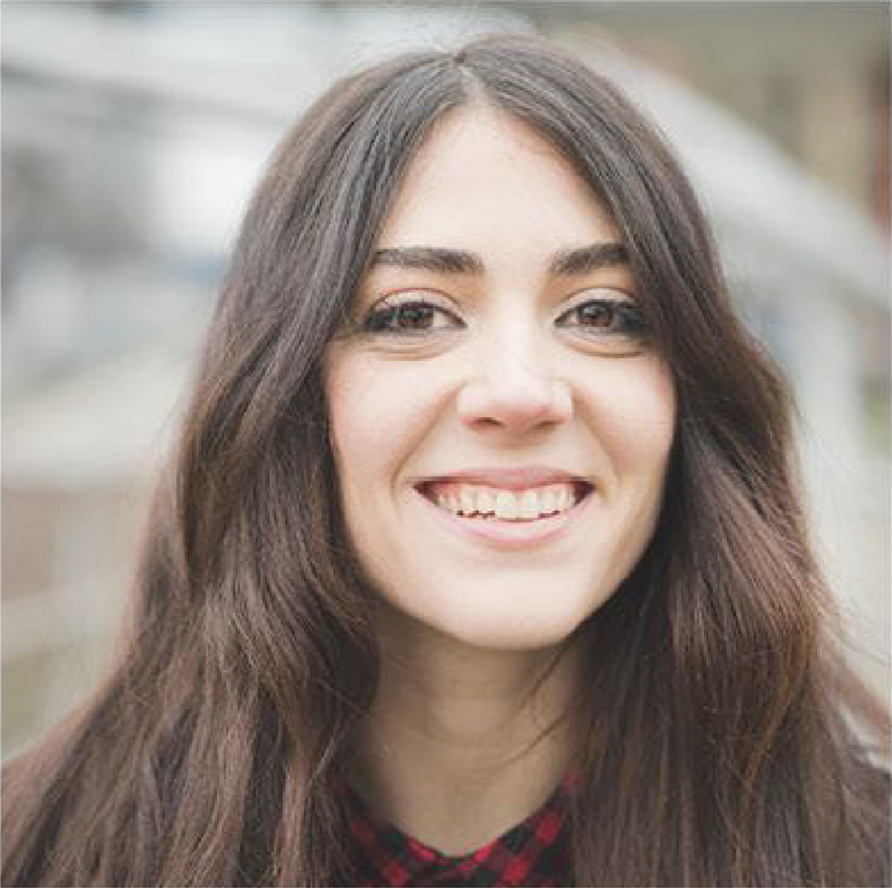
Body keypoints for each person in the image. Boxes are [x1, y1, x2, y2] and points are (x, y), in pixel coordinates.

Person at [2, 34, 889, 888]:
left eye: (602, 312)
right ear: (283, 391)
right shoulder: (38, 850)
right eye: (414, 315)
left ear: (688, 390)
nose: (519, 391)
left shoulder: (860, 850)